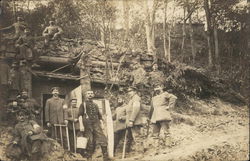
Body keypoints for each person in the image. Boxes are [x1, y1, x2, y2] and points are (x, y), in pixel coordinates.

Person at [78, 90, 111, 161]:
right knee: (90, 140)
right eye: (88, 93)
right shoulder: (83, 104)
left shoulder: (95, 105)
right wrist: (81, 125)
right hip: (87, 124)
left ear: (93, 95)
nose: (90, 95)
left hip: (96, 124)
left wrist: (102, 124)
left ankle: (105, 157)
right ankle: (89, 158)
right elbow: (80, 115)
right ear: (86, 95)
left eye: (91, 93)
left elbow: (100, 116)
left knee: (103, 139)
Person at [125, 86, 146, 154]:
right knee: (133, 137)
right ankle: (139, 151)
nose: (129, 93)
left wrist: (131, 120)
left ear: (135, 91)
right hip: (131, 122)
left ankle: (140, 153)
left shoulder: (136, 98)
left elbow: (136, 109)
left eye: (130, 91)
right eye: (128, 91)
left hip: (135, 122)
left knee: (137, 137)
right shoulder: (132, 99)